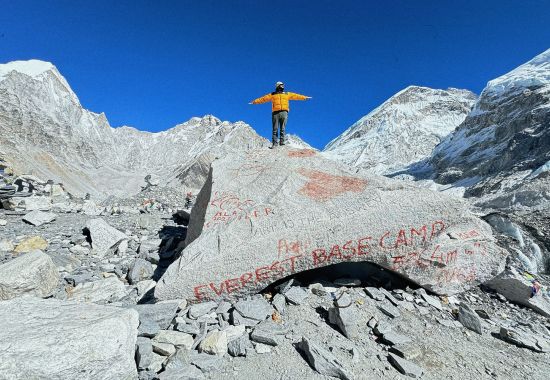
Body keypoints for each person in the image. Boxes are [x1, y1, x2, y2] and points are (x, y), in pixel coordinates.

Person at [249, 82, 311, 148]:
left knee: (283, 128)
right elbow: (263, 99)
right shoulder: (273, 94)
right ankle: (274, 144)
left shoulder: (287, 94)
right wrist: (254, 102)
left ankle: (282, 143)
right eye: (281, 85)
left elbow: (296, 96)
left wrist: (304, 97)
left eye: (283, 85)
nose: (283, 86)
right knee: (275, 129)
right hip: (275, 113)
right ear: (278, 86)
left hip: (284, 112)